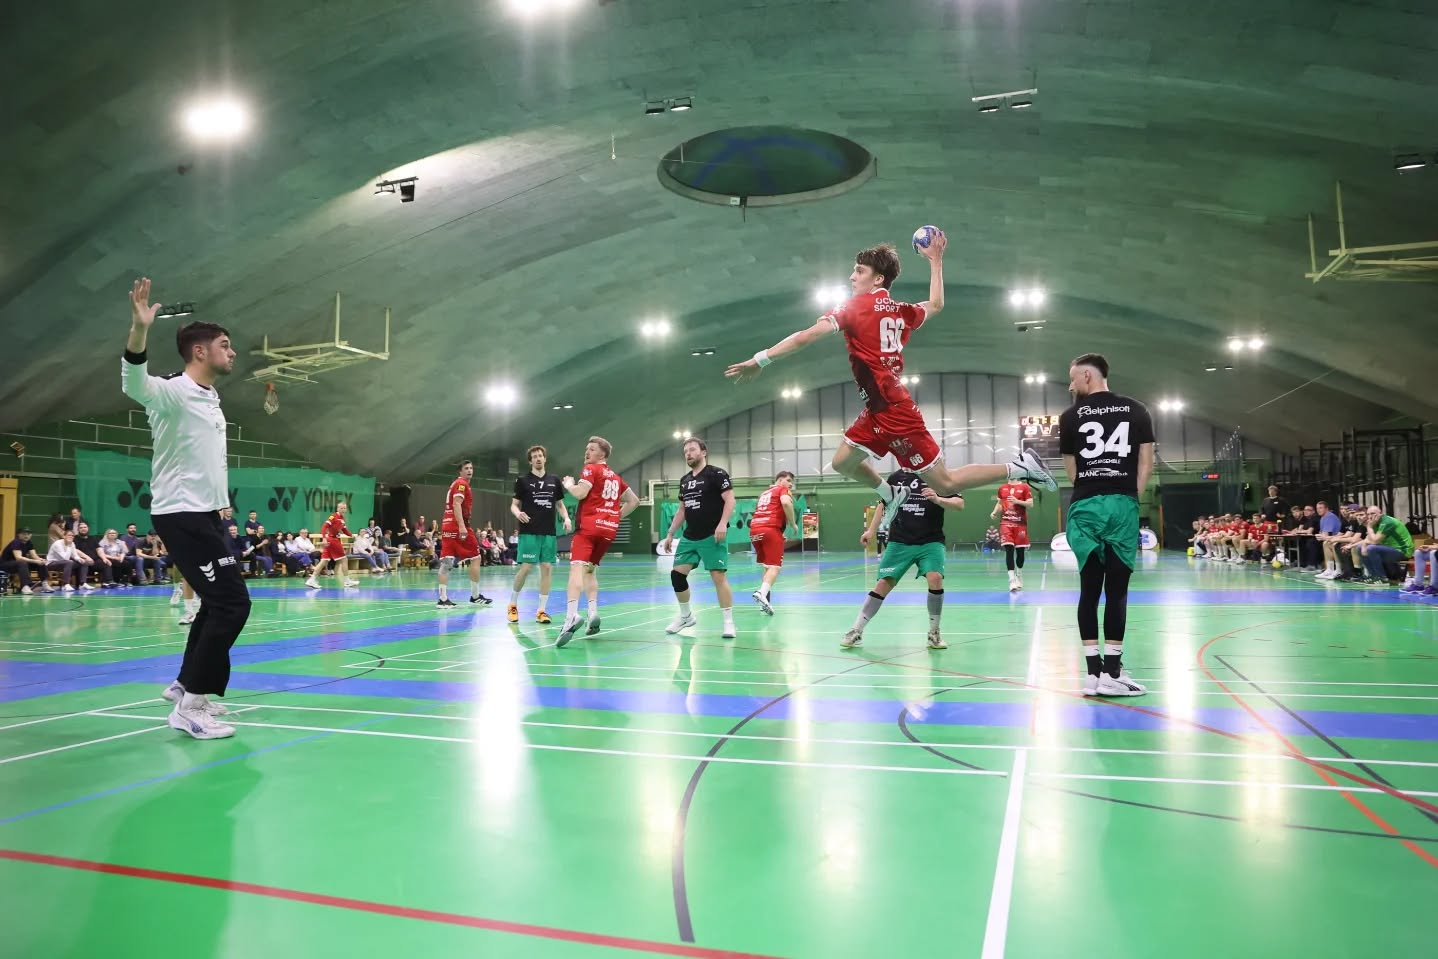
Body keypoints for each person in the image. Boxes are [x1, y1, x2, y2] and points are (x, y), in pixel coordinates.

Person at [725, 231, 1055, 530]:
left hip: (895, 410)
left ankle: (1020, 466)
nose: (852, 276)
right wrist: (936, 262)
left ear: (877, 278)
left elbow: (805, 337)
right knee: (842, 461)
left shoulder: (855, 307)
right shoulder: (899, 310)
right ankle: (890, 493)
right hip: (877, 408)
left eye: (859, 271)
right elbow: (937, 304)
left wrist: (760, 359)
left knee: (946, 483)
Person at [122, 277, 252, 739]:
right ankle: (191, 705)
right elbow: (134, 380)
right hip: (180, 513)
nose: (232, 352)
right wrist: (140, 330)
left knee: (217, 605)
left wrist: (224, 513)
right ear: (200, 352)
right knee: (233, 604)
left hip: (208, 515)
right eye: (224, 345)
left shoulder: (209, 396)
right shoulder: (173, 392)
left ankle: (185, 687)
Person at [1058, 353, 1154, 697]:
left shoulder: (1069, 417)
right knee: (1116, 591)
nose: (1070, 385)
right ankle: (1112, 672)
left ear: (1086, 376)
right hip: (1120, 504)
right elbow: (1146, 462)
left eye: (1072, 379)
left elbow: (1071, 471)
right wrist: (1130, 495)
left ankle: (1092, 674)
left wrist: (1090, 486)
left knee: (1088, 589)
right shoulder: (1137, 410)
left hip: (1084, 506)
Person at [842, 470, 964, 649]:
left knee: (935, 578)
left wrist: (939, 500)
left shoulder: (938, 475)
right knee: (883, 584)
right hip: (900, 541)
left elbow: (959, 503)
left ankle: (934, 633)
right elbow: (883, 504)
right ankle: (856, 630)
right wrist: (871, 530)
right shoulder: (896, 478)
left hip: (931, 541)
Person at [557, 436, 639, 647]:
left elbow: (580, 493)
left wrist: (569, 485)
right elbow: (634, 501)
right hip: (608, 531)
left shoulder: (590, 470)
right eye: (586, 449)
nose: (587, 453)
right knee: (590, 571)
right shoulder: (616, 478)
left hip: (588, 528)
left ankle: (571, 617)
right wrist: (614, 516)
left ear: (602, 454)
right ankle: (592, 612)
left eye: (592, 449)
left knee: (576, 570)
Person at [659, 437, 738, 638]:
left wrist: (722, 524)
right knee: (677, 575)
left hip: (712, 535)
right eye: (686, 451)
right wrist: (669, 533)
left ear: (703, 452)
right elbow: (682, 509)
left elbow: (730, 499)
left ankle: (729, 623)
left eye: (692, 449)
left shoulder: (716, 474)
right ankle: (686, 616)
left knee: (718, 577)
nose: (688, 453)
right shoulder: (685, 481)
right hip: (690, 536)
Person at [509, 445, 572, 624]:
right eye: (534, 456)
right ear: (530, 461)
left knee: (546, 568)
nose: (538, 458)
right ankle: (513, 604)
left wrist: (566, 518)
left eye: (540, 456)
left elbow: (560, 505)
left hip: (548, 532)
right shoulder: (522, 481)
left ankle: (541, 611)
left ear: (545, 459)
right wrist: (517, 513)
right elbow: (514, 505)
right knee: (526, 567)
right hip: (529, 531)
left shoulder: (554, 480)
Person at [436, 461, 493, 608]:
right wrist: (462, 526)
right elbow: (456, 504)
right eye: (466, 468)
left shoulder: (455, 484)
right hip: (458, 526)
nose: (470, 471)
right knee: (476, 557)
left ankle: (442, 599)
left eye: (471, 468)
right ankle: (475, 596)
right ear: (459, 472)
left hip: (447, 525)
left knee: (447, 561)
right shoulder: (462, 484)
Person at [748, 470, 797, 615]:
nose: (790, 484)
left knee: (767, 566)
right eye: (788, 480)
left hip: (755, 531)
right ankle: (761, 593)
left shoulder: (764, 493)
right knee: (775, 567)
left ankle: (765, 602)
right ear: (780, 480)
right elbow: (786, 504)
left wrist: (779, 534)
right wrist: (793, 524)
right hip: (770, 530)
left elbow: (769, 511)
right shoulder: (783, 490)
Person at [991, 480, 1033, 592]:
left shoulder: (1024, 487)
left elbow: (1030, 503)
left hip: (1020, 524)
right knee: (1009, 549)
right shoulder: (1002, 488)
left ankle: (1019, 574)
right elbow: (1000, 503)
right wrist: (994, 512)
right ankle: (1012, 580)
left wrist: (1017, 501)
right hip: (1006, 523)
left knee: (1020, 554)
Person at [2, 529, 52, 593]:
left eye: (28, 534)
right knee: (22, 563)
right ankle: (25, 586)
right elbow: (18, 558)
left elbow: (34, 556)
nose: (26, 536)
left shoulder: (29, 542)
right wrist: (35, 561)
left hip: (19, 564)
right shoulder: (16, 542)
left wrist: (40, 560)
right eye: (24, 534)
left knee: (40, 563)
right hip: (6, 565)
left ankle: (44, 583)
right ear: (19, 535)